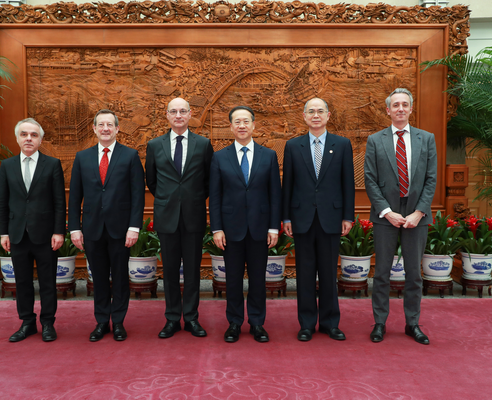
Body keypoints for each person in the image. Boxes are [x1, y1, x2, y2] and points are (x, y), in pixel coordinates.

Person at [364, 88, 437, 345]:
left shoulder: (426, 138)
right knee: (382, 273)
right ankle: (379, 323)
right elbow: (370, 180)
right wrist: (387, 212)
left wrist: (419, 212)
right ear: (388, 110)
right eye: (395, 105)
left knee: (414, 274)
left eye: (405, 104)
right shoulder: (375, 140)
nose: (400, 109)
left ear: (411, 109)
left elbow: (431, 179)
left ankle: (412, 324)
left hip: (417, 214)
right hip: (386, 215)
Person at [282, 98, 355, 342]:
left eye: (320, 111)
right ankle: (306, 324)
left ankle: (329, 323)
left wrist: (347, 216)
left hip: (331, 218)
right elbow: (287, 184)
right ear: (304, 116)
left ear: (328, 115)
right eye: (311, 111)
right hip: (301, 218)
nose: (316, 115)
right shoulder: (293, 146)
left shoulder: (342, 144)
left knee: (328, 273)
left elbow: (348, 183)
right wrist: (286, 217)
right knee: (304, 274)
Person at [69, 109, 145, 342]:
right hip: (92, 229)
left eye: (110, 124)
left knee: (120, 277)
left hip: (121, 230)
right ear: (94, 128)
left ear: (117, 129)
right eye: (101, 124)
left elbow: (137, 195)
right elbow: (75, 196)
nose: (105, 128)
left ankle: (118, 322)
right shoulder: (82, 157)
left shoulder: (130, 156)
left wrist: (134, 227)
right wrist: (74, 228)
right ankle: (102, 321)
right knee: (98, 278)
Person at [209, 106, 281, 343]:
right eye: (237, 122)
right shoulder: (220, 157)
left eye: (246, 121)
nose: (242, 126)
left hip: (260, 228)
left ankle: (257, 323)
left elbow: (275, 194)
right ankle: (234, 322)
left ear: (253, 125)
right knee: (233, 279)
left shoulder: (268, 155)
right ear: (231, 127)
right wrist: (217, 229)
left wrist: (274, 227)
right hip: (231, 229)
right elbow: (215, 196)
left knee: (258, 279)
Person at [145, 97, 214, 338]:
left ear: (190, 114)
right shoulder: (155, 145)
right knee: (170, 270)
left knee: (193, 270)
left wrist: (190, 199)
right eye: (173, 111)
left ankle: (192, 317)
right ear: (167, 115)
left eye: (182, 111)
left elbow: (208, 181)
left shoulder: (203, 144)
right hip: (167, 217)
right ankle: (172, 318)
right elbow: (152, 181)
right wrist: (170, 200)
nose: (178, 115)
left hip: (193, 216)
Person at [0, 118, 66, 342]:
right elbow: (2, 201)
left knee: (48, 282)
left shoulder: (52, 164)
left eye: (34, 135)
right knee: (22, 282)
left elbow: (59, 202)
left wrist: (59, 232)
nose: (29, 138)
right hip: (17, 234)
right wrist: (4, 233)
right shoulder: (7, 166)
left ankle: (47, 323)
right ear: (17, 138)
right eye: (24, 134)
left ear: (40, 140)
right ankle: (27, 322)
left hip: (46, 235)